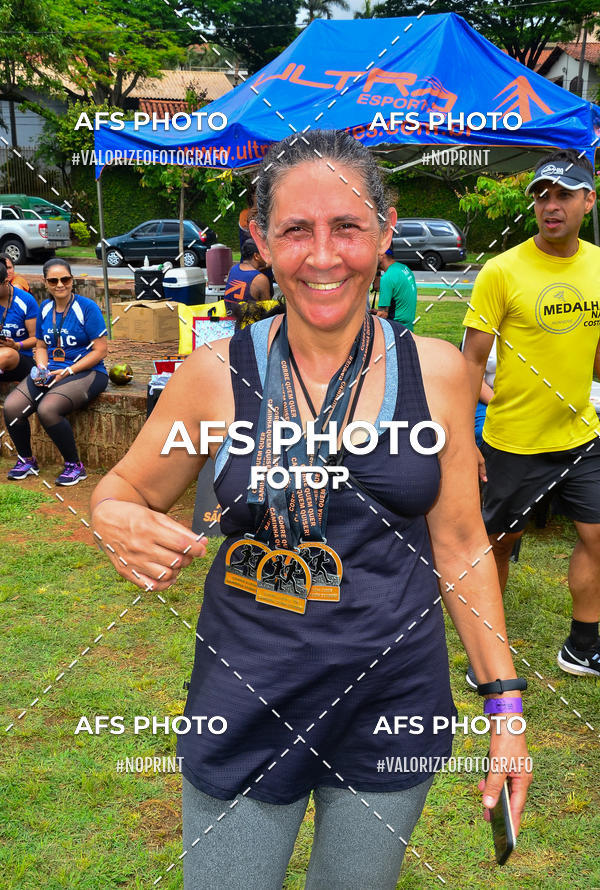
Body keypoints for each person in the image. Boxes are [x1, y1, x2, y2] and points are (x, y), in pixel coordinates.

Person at [90, 131, 530, 890]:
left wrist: (505, 707)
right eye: (297, 229)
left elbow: (461, 542)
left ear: (386, 231)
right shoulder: (214, 377)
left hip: (392, 706)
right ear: (260, 240)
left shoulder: (439, 373)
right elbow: (120, 490)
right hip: (246, 699)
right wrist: (111, 516)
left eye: (348, 227)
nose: (323, 256)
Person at [462, 148, 600, 679]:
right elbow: (471, 360)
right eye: (542, 195)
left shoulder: (595, 266)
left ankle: (582, 645)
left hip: (581, 435)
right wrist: (464, 437)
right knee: (497, 546)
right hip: (513, 441)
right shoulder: (502, 270)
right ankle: (488, 657)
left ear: (588, 200)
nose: (551, 205)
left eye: (564, 194)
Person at [3, 259, 108, 485]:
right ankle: (27, 460)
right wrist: (41, 366)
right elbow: (40, 346)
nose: (60, 284)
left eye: (65, 279)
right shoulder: (45, 308)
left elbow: (100, 351)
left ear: (72, 280)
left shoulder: (86, 307)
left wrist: (69, 370)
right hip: (52, 371)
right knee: (12, 407)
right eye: (54, 280)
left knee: (47, 409)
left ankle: (74, 466)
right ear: (46, 283)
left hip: (88, 371)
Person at [0, 260, 38, 383]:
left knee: (6, 354)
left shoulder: (25, 301)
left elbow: (36, 338)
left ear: (5, 282)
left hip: (20, 359)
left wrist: (17, 345)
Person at [376, 247, 417, 330]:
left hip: (396, 329)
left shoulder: (387, 278)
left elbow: (382, 314)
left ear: (381, 255)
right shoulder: (404, 268)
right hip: (407, 327)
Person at [224, 238, 272, 306]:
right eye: (264, 253)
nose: (268, 255)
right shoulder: (260, 279)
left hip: (229, 315)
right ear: (256, 256)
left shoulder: (233, 269)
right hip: (249, 316)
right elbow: (268, 309)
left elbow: (246, 277)